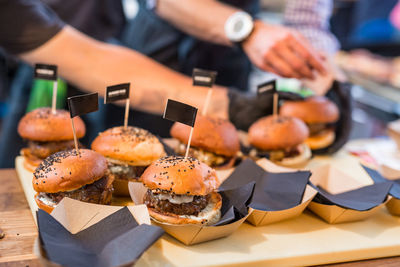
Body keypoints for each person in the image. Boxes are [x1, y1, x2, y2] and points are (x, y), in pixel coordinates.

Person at [0, 0, 350, 168]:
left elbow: (89, 61)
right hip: (163, 42)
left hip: (222, 56)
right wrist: (245, 29)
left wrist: (235, 105)